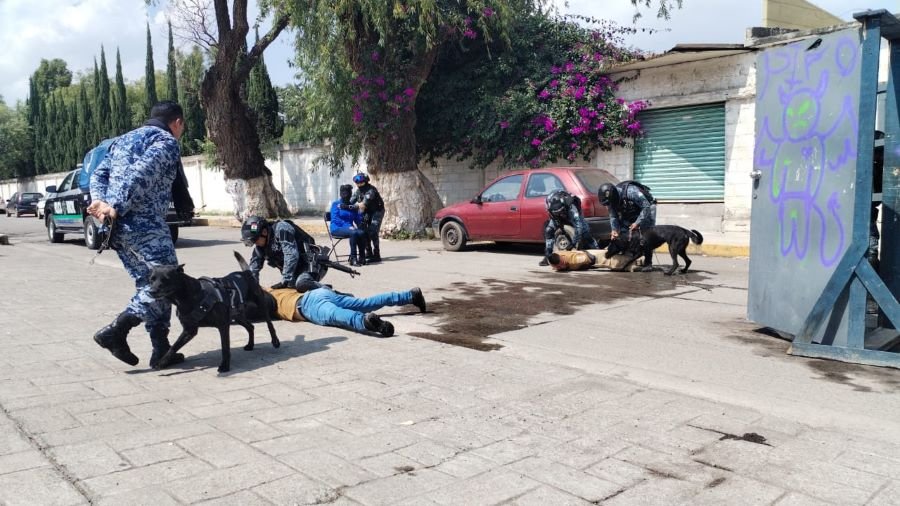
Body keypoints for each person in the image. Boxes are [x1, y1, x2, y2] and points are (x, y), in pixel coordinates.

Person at [87, 100, 188, 369]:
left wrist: (99, 201)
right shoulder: (166, 142)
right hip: (145, 227)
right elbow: (141, 176)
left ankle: (161, 350)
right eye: (182, 127)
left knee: (150, 285)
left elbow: (99, 173)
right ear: (177, 123)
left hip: (117, 230)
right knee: (167, 283)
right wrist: (114, 207)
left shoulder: (121, 141)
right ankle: (117, 330)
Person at [264, 285, 427, 337]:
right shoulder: (276, 288)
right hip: (320, 293)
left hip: (306, 306)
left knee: (335, 315)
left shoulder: (264, 299)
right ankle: (411, 295)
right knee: (365, 302)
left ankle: (366, 322)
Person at [241, 215, 322, 292]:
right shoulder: (260, 246)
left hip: (310, 264)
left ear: (264, 232)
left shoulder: (282, 228)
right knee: (291, 290)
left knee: (302, 284)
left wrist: (285, 279)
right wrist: (252, 288)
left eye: (255, 240)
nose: (255, 244)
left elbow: (291, 255)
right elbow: (253, 269)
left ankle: (330, 292)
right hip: (294, 270)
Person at [539, 190, 599, 266]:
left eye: (561, 212)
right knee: (548, 230)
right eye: (557, 212)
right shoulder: (548, 204)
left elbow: (578, 228)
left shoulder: (572, 208)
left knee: (585, 232)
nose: (560, 214)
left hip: (570, 214)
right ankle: (547, 257)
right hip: (555, 217)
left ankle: (596, 251)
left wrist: (572, 244)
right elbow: (551, 220)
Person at [347, 173, 385, 263]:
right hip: (367, 212)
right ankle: (368, 252)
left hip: (377, 211)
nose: (358, 184)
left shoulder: (371, 191)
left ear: (365, 181)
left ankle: (376, 254)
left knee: (372, 231)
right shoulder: (358, 191)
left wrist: (351, 206)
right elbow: (350, 201)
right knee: (363, 230)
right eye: (357, 182)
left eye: (360, 182)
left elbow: (363, 205)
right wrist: (343, 204)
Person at [330, 184, 367, 266]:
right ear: (341, 194)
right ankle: (353, 258)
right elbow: (335, 219)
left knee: (361, 232)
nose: (346, 195)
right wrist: (348, 227)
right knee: (353, 233)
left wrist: (361, 213)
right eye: (344, 193)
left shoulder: (350, 206)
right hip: (337, 228)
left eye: (348, 193)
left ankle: (362, 257)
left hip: (350, 229)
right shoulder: (336, 204)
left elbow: (357, 219)